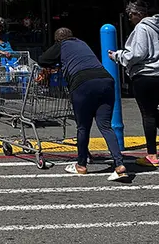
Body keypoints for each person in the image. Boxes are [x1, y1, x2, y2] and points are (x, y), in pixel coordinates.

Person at [39, 28, 130, 181]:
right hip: (105, 80)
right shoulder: (81, 43)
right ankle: (119, 164)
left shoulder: (63, 44)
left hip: (82, 83)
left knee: (83, 127)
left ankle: (81, 165)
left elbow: (43, 59)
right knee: (105, 126)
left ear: (58, 40)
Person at [109, 0, 159, 168]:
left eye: (130, 15)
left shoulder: (142, 28)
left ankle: (152, 155)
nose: (129, 19)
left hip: (146, 75)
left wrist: (117, 56)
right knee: (151, 109)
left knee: (147, 114)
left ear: (138, 14)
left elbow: (137, 53)